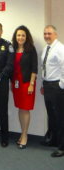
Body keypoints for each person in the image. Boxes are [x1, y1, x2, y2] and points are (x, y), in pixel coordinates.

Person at [11, 25, 38, 149]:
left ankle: (25, 135)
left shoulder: (30, 49)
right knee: (20, 109)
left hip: (27, 83)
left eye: (23, 35)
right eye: (18, 35)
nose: (20, 37)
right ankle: (22, 133)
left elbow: (34, 68)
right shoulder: (13, 49)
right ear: (15, 37)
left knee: (25, 109)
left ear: (26, 37)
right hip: (16, 83)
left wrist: (31, 84)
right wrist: (11, 83)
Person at [40, 25, 64, 157]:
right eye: (45, 34)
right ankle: (53, 140)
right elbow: (45, 68)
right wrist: (43, 84)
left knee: (60, 117)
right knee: (52, 116)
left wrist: (61, 85)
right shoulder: (46, 49)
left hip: (57, 87)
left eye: (49, 33)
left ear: (55, 34)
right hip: (47, 85)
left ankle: (62, 146)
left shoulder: (60, 48)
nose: (46, 36)